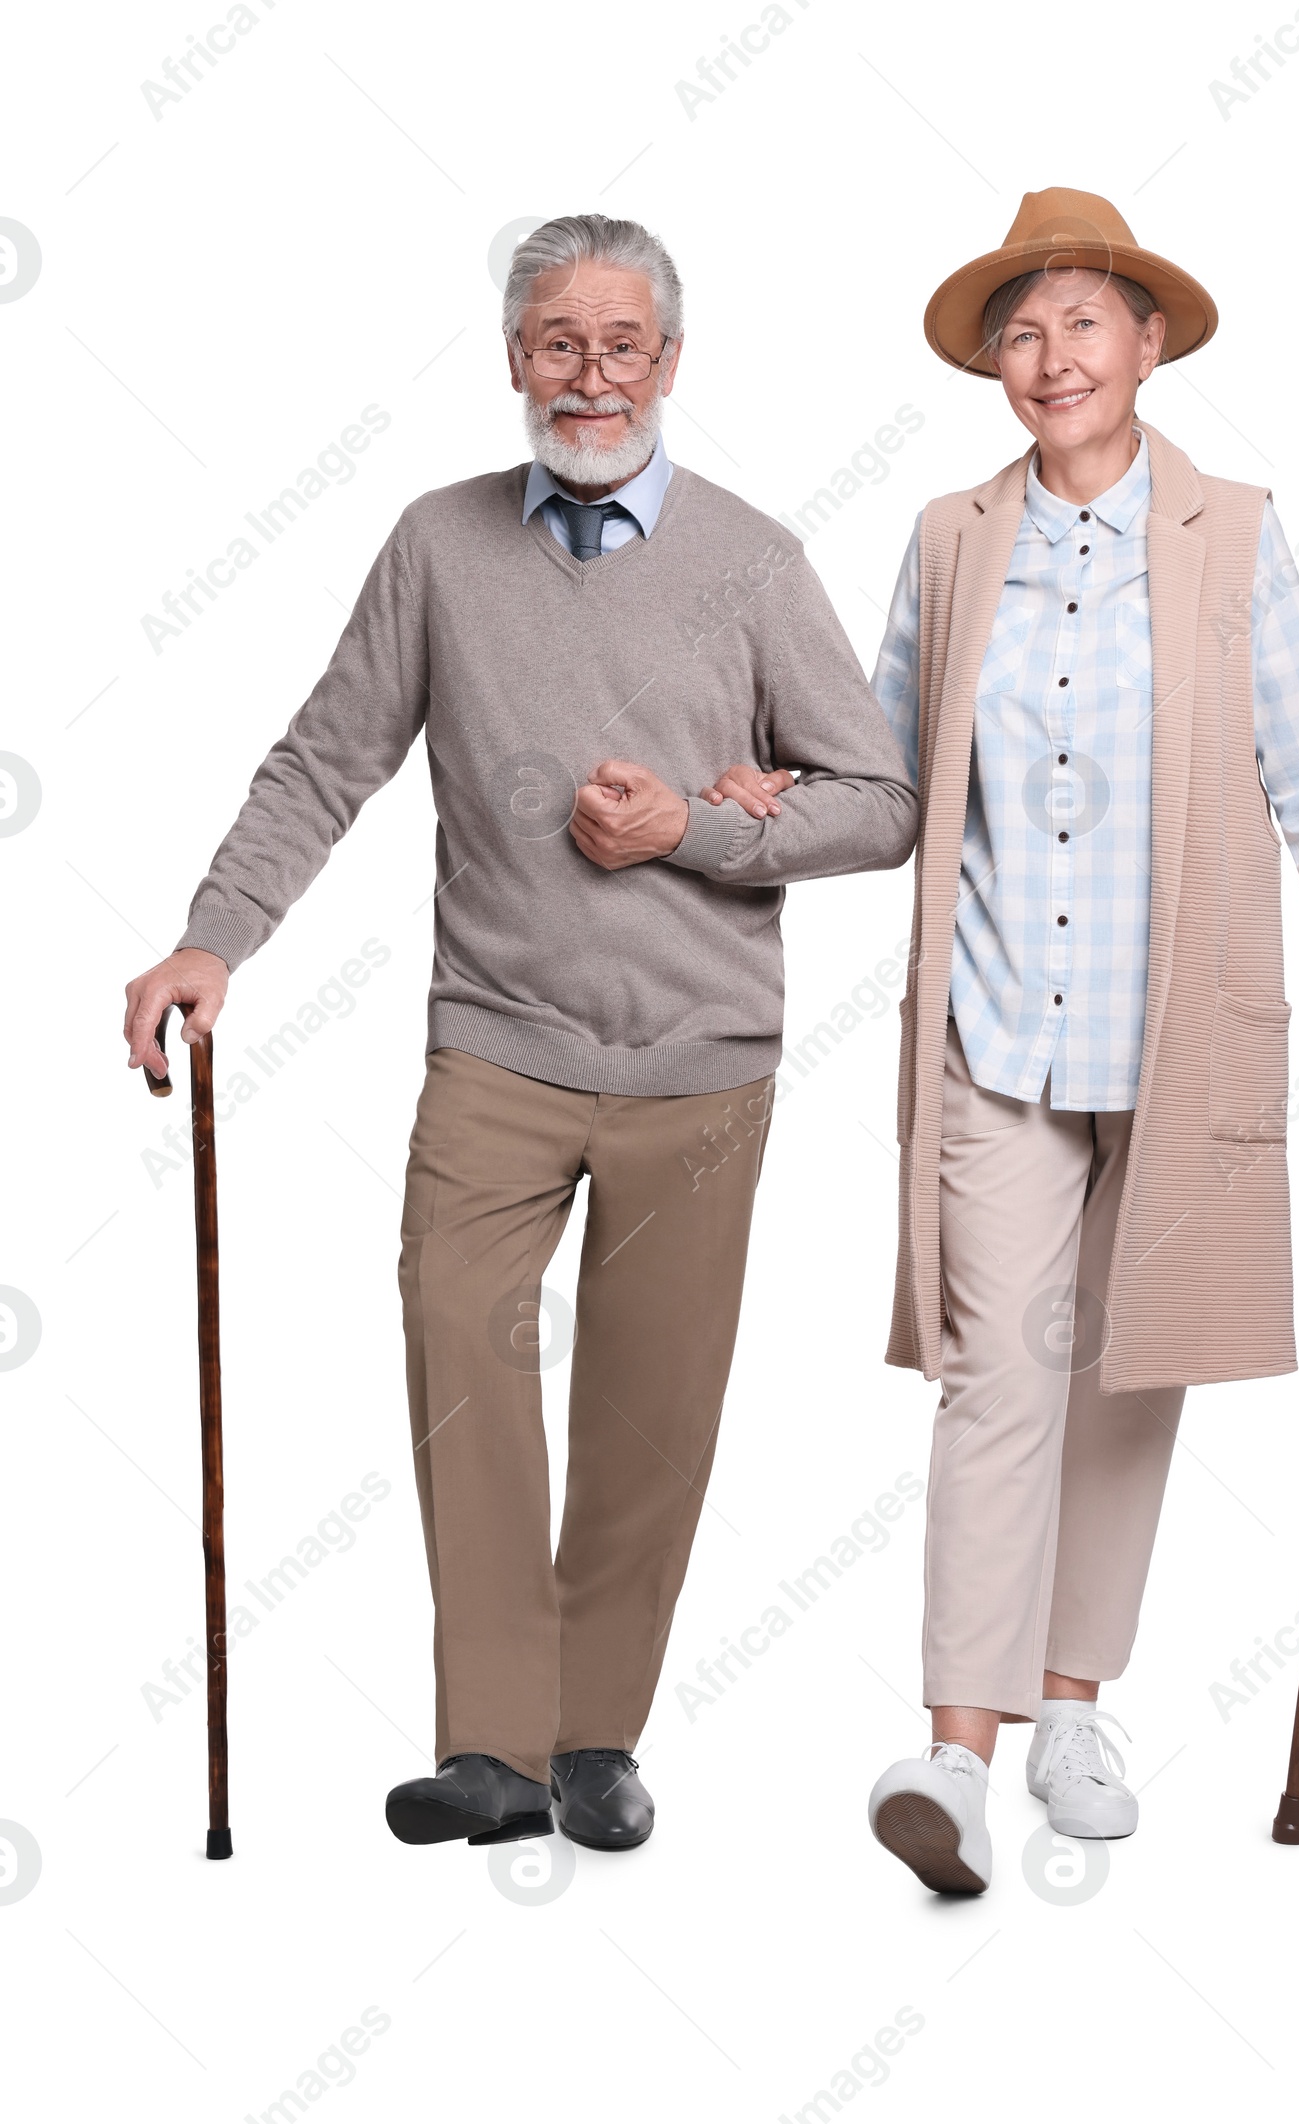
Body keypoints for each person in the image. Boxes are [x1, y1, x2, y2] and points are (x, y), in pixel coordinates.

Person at [122, 212, 915, 1856]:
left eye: (622, 344)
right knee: (459, 1354)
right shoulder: (438, 545)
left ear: (673, 367)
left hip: (701, 1063)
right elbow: (323, 760)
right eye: (559, 341)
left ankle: (591, 1738)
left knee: (650, 1412)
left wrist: (695, 828)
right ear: (513, 361)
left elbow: (882, 801)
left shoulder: (756, 564)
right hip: (494, 1041)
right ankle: (487, 1743)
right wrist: (214, 939)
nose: (591, 375)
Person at [777, 185, 1299, 1894]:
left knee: (1134, 1370)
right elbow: (885, 779)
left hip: (1179, 1031)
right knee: (998, 1378)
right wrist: (753, 800)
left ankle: (1075, 1705)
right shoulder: (946, 536)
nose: (1050, 356)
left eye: (1084, 322)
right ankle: (956, 1754)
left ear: (1148, 344)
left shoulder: (1234, 536)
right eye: (1021, 330)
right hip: (995, 1032)